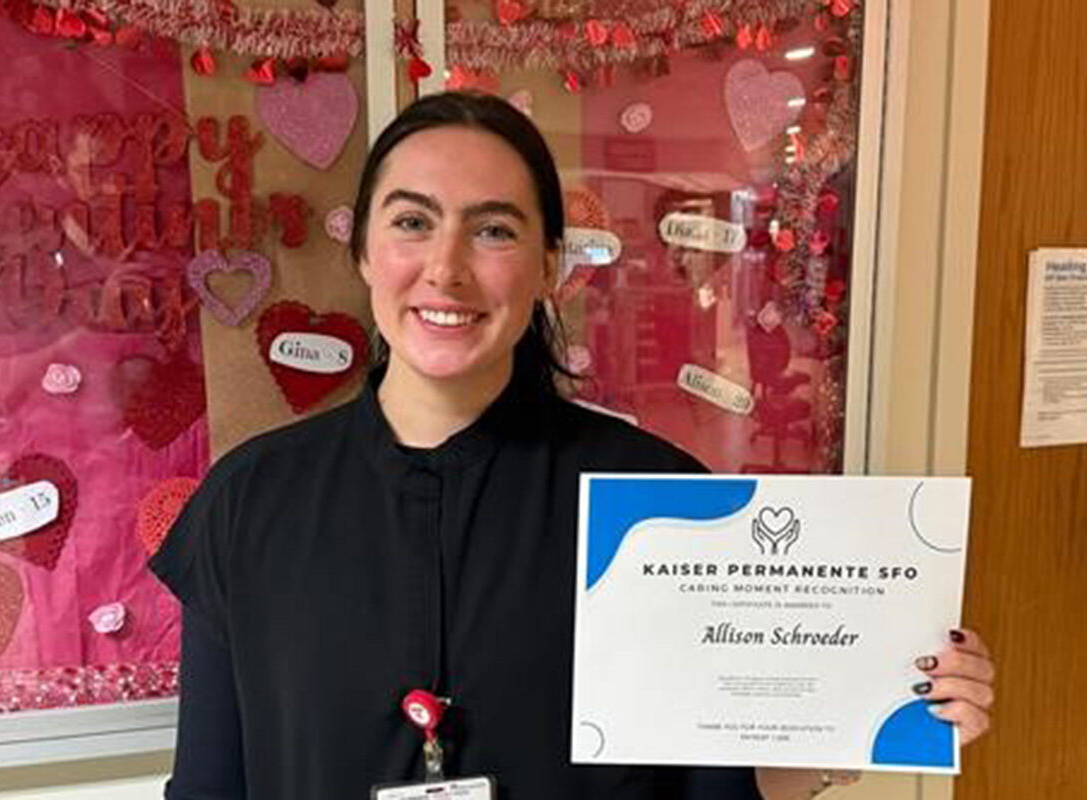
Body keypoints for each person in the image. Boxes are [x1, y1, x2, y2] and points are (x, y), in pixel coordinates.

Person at [149, 92, 995, 799]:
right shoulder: (249, 503)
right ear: (366, 253)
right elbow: (208, 789)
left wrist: (867, 709)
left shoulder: (661, 506)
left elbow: (716, 785)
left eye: (493, 231)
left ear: (550, 264)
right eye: (412, 222)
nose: (444, 269)